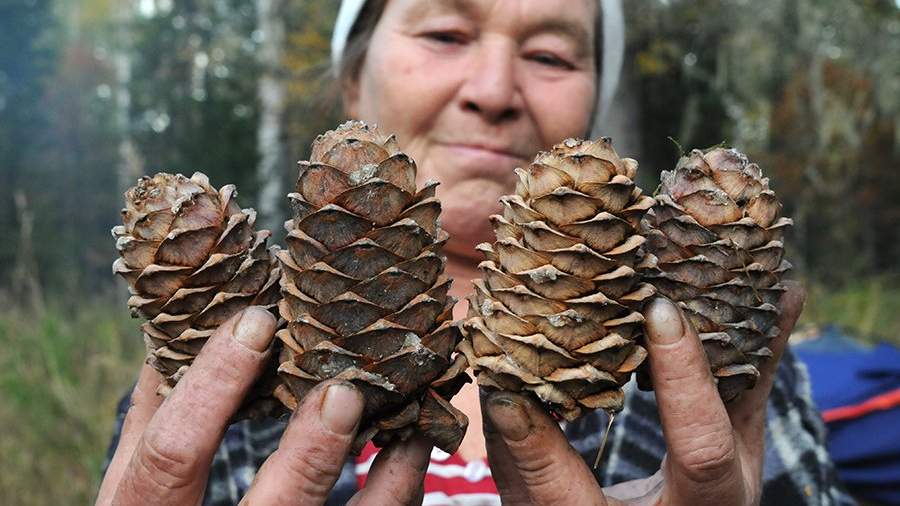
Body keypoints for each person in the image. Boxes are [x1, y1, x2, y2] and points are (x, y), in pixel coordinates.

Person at [97, 1, 855, 504]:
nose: (493, 91)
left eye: (551, 55)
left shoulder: (714, 369)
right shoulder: (210, 387)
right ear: (353, 78)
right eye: (445, 35)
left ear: (593, 101)